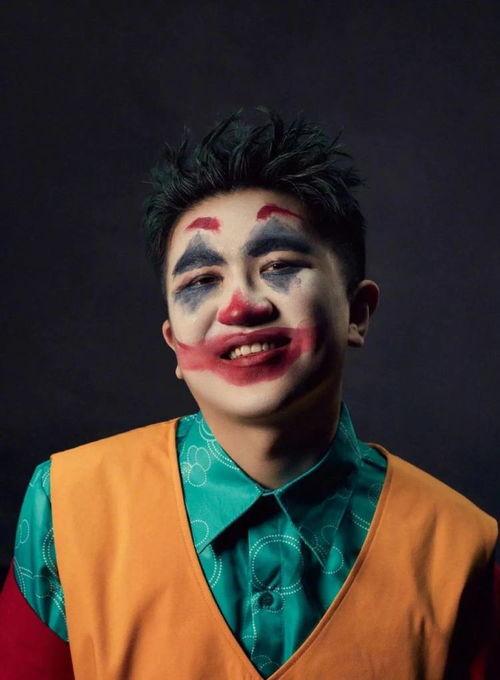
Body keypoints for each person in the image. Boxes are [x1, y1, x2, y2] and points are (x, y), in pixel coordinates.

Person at [0, 109, 498, 679]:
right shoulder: (66, 508)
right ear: (174, 343)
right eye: (201, 280)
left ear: (357, 312)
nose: (241, 306)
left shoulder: (466, 551)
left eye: (279, 265)